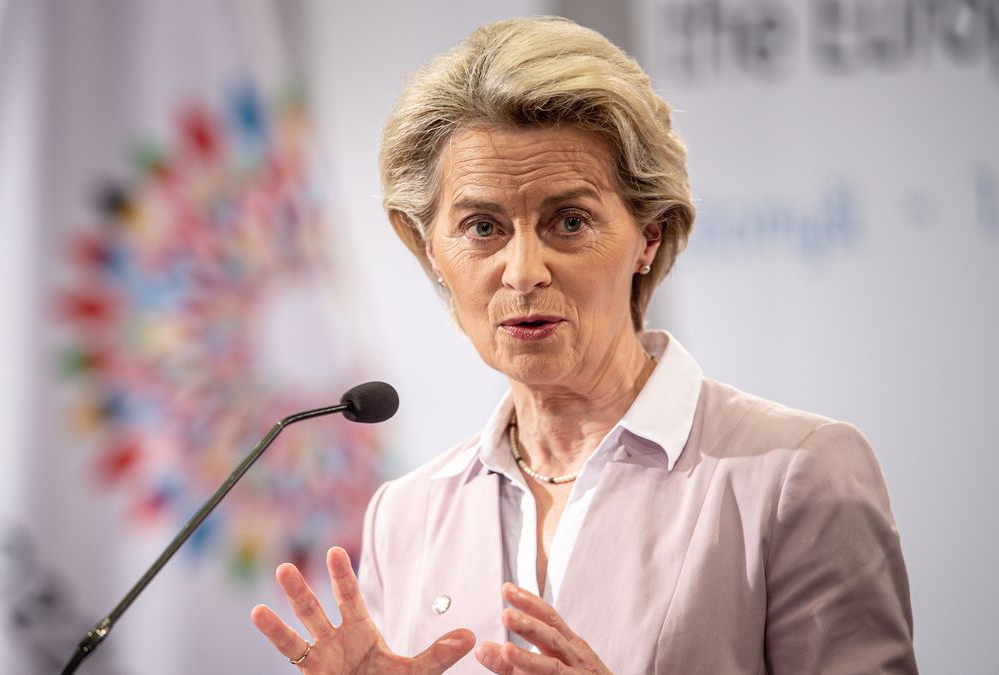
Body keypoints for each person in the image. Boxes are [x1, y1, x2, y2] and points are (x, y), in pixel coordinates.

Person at [250, 16, 917, 674]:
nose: (523, 270)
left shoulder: (794, 472)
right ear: (431, 249)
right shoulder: (407, 514)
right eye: (482, 226)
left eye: (569, 221)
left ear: (648, 235)